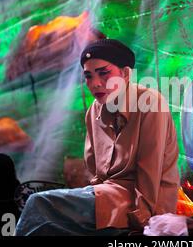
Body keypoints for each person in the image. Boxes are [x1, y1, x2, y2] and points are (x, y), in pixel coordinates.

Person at [15, 38, 180, 235]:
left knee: (38, 203)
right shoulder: (94, 111)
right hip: (107, 197)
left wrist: (144, 220)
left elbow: (150, 173)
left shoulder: (149, 102)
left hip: (143, 202)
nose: (95, 84)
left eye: (104, 73)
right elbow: (96, 172)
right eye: (88, 76)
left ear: (125, 74)